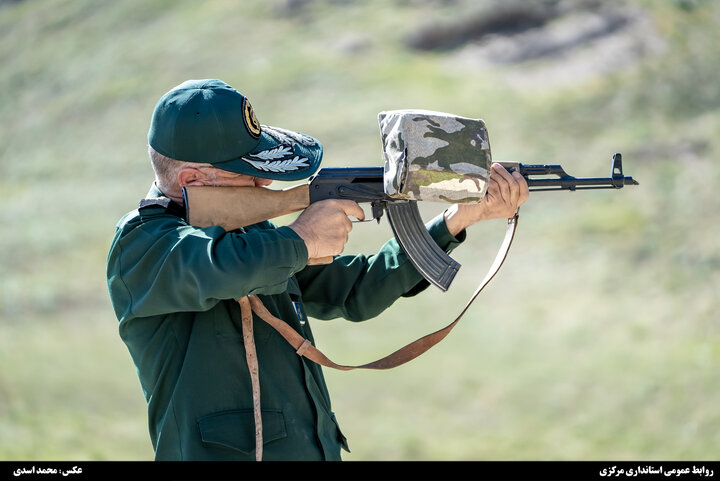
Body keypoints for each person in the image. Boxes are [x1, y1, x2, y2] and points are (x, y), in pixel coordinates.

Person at [106, 78, 529, 461]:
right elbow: (218, 266)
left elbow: (356, 291)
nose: (265, 185)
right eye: (246, 174)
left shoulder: (254, 237)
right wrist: (302, 238)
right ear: (192, 180)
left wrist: (458, 218)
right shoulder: (143, 246)